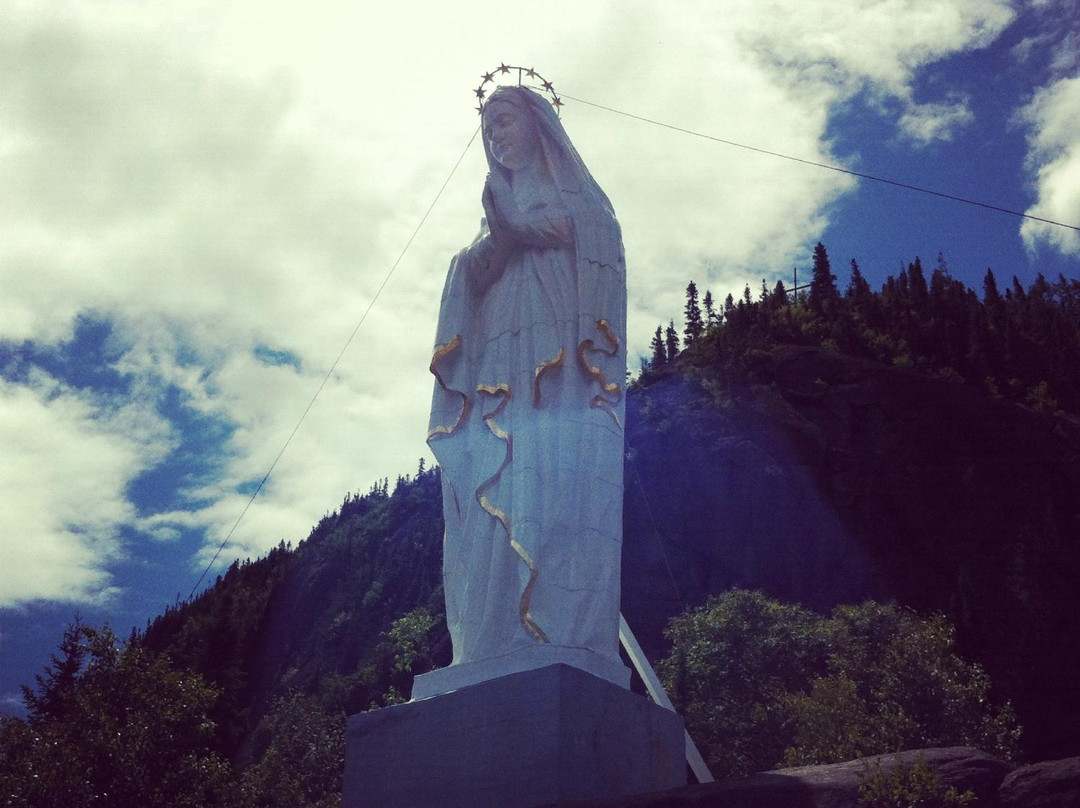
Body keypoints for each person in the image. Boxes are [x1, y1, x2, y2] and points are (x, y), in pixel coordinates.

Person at [426, 85, 627, 684]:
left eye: (505, 121)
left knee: (553, 483)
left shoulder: (579, 200)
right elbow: (473, 269)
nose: (496, 136)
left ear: (539, 127)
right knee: (495, 489)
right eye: (488, 129)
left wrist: (520, 229)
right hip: (499, 366)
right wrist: (490, 246)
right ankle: (490, 635)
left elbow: (596, 238)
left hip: (559, 364)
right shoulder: (495, 207)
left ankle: (557, 623)